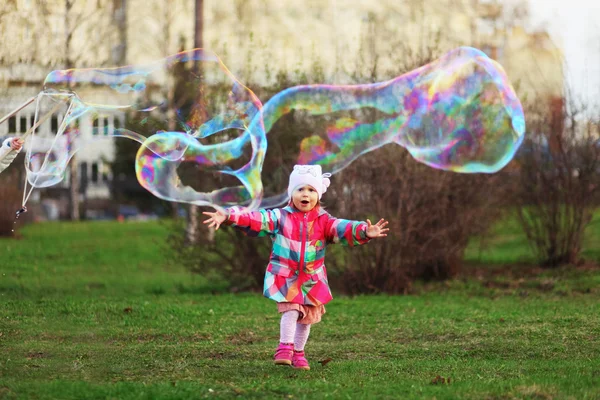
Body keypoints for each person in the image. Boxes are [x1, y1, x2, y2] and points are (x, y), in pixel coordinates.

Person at [203, 164, 389, 370]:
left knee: (306, 319)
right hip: (286, 275)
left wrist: (364, 230)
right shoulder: (280, 217)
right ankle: (284, 348)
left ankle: (298, 353)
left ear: (318, 195)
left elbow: (342, 228)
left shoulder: (324, 222)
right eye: (300, 189)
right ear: (292, 194)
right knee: (291, 310)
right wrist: (228, 215)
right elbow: (256, 218)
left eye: (311, 190)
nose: (305, 194)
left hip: (312, 278)